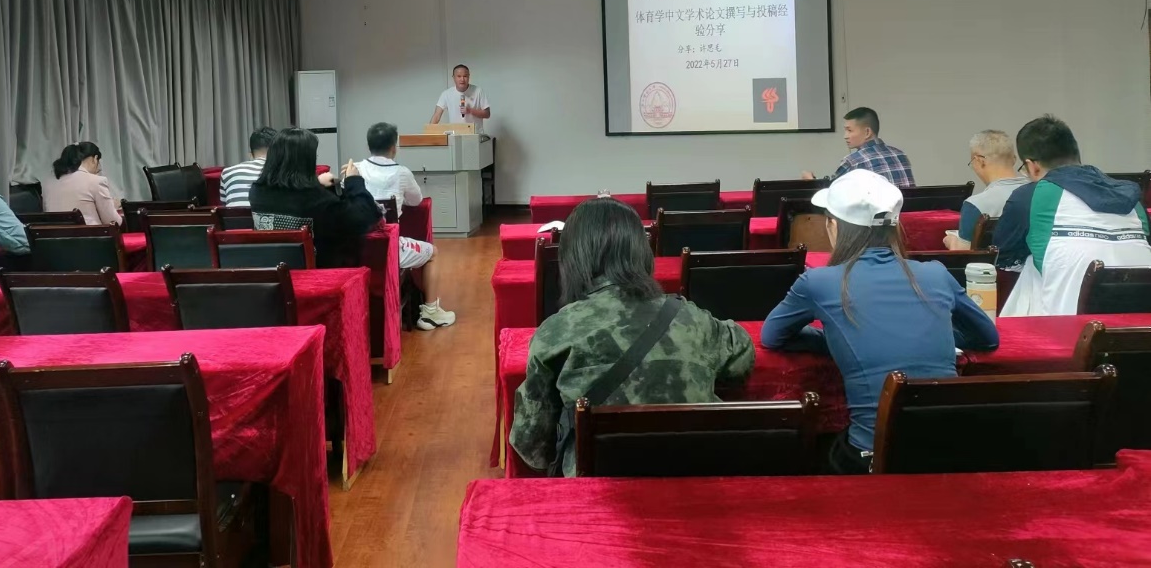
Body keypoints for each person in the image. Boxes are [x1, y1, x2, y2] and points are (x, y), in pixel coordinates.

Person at [762, 169, 999, 474]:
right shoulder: (935, 273)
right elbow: (987, 337)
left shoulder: (819, 282)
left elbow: (772, 336)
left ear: (834, 226)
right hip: (953, 448)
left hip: (873, 456)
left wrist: (831, 340)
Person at [509, 197, 756, 477]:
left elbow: (533, 447)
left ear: (572, 260)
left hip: (597, 489)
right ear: (642, 253)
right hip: (693, 480)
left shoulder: (555, 332)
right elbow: (742, 359)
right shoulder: (691, 319)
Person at [994, 115, 1151, 316]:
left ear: (1032, 166)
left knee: (1030, 267)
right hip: (1141, 322)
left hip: (1070, 325)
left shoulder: (1032, 196)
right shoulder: (1134, 202)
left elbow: (1002, 257)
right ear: (1077, 155)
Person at [356, 122, 455, 331]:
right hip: (389, 248)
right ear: (394, 147)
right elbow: (416, 200)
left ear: (368, 146)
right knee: (433, 253)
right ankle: (430, 312)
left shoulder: (355, 169)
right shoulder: (401, 173)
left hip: (357, 248)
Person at [248, 127, 383, 269]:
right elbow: (363, 218)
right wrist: (353, 180)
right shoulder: (315, 198)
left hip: (271, 270)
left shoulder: (257, 191)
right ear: (306, 161)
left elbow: (290, 195)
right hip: (315, 272)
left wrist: (317, 184)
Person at [944, 130, 1029, 250]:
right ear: (1014, 159)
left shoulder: (975, 204)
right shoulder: (1038, 191)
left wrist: (951, 241)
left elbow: (963, 254)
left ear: (980, 161)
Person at [802, 106, 915, 188]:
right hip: (908, 214)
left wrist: (812, 182)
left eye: (849, 130)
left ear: (867, 132)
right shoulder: (900, 154)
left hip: (877, 215)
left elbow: (831, 193)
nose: (845, 136)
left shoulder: (854, 161)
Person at [42, 141, 121, 226]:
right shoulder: (96, 181)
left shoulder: (48, 184)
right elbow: (113, 221)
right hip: (89, 234)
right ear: (95, 159)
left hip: (54, 234)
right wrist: (113, 207)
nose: (98, 169)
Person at [220, 126, 276, 207]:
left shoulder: (227, 172)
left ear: (250, 155)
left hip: (235, 215)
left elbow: (224, 207)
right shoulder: (281, 172)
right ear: (278, 151)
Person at [430, 64, 490, 133]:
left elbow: (487, 114)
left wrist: (470, 111)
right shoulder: (446, 94)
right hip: (455, 135)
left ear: (469, 77)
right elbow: (436, 116)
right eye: (459, 76)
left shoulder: (478, 91)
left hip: (475, 134)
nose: (462, 79)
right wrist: (428, 133)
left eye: (465, 76)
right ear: (453, 77)